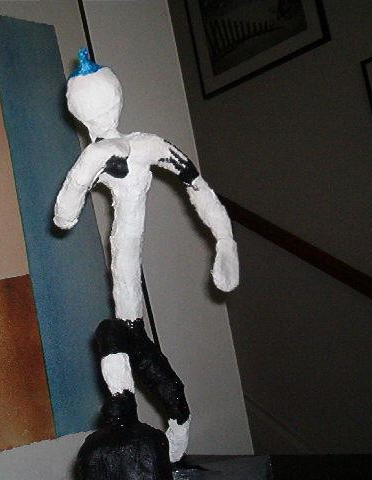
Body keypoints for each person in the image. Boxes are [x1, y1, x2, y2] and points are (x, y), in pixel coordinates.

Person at [54, 48, 239, 462]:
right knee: (113, 336)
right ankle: (124, 406)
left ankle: (159, 431)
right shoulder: (136, 148)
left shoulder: (122, 151)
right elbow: (196, 184)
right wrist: (223, 237)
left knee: (160, 382)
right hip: (127, 318)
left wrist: (225, 240)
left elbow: (66, 210)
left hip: (131, 320)